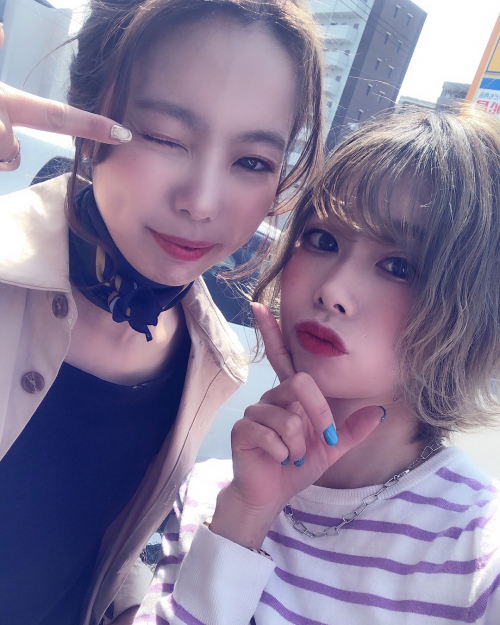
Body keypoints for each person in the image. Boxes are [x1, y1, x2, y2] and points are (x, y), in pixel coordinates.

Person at [0, 1, 324, 623]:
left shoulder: (207, 359)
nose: (201, 202)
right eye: (165, 138)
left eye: (252, 162)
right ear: (87, 111)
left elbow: (93, 552)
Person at [134, 105, 500, 624]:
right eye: (322, 240)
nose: (333, 291)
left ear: (473, 312)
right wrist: (245, 520)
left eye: (399, 266)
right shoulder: (217, 491)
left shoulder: (479, 556)